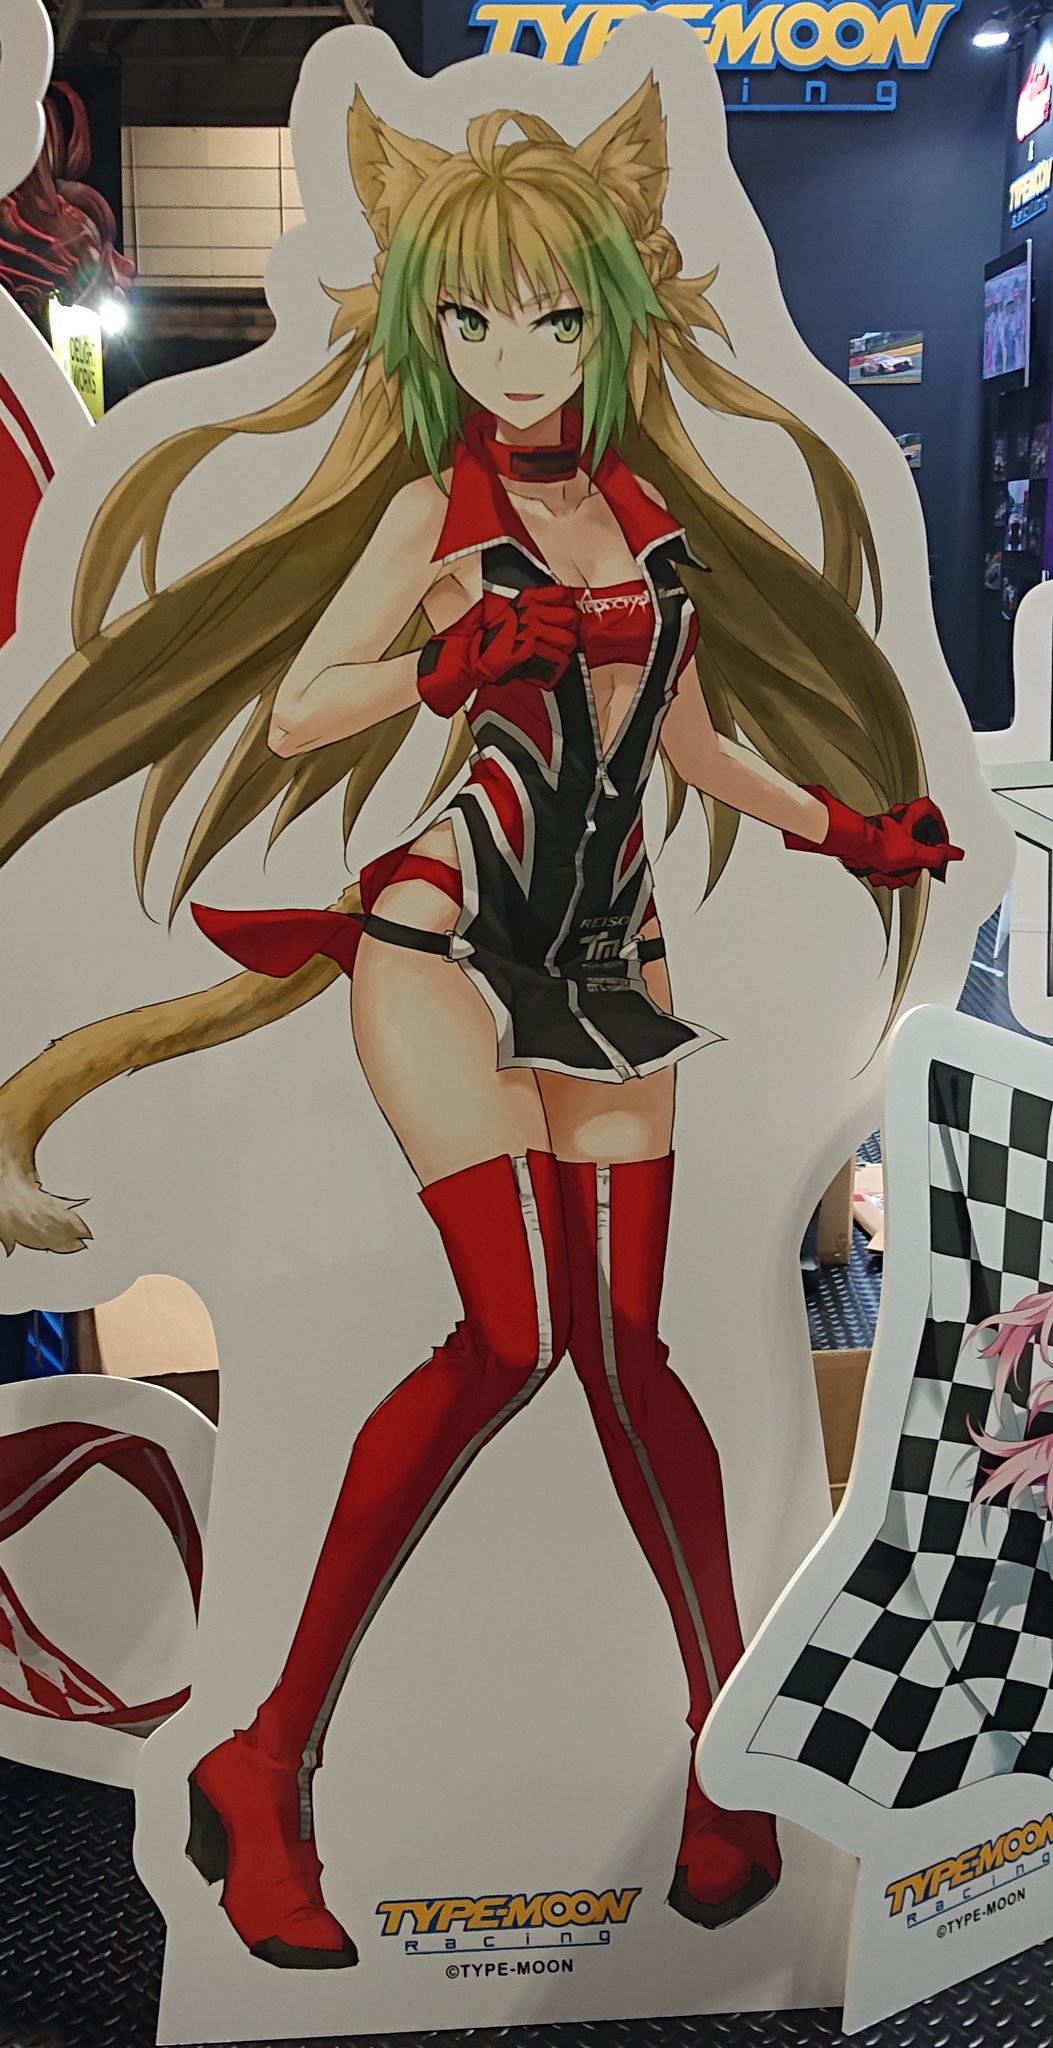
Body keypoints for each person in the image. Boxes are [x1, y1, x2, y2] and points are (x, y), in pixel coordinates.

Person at [0, 77, 961, 1968]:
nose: (512, 360)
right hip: (442, 939)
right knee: (517, 1338)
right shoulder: (431, 510)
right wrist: (444, 656)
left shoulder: (646, 519)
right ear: (427, 331)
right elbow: (301, 709)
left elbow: (690, 744)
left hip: (615, 958)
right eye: (469, 322)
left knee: (628, 1352)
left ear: (612, 318)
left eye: (550, 320)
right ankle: (270, 1757)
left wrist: (847, 826)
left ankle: (718, 1757)